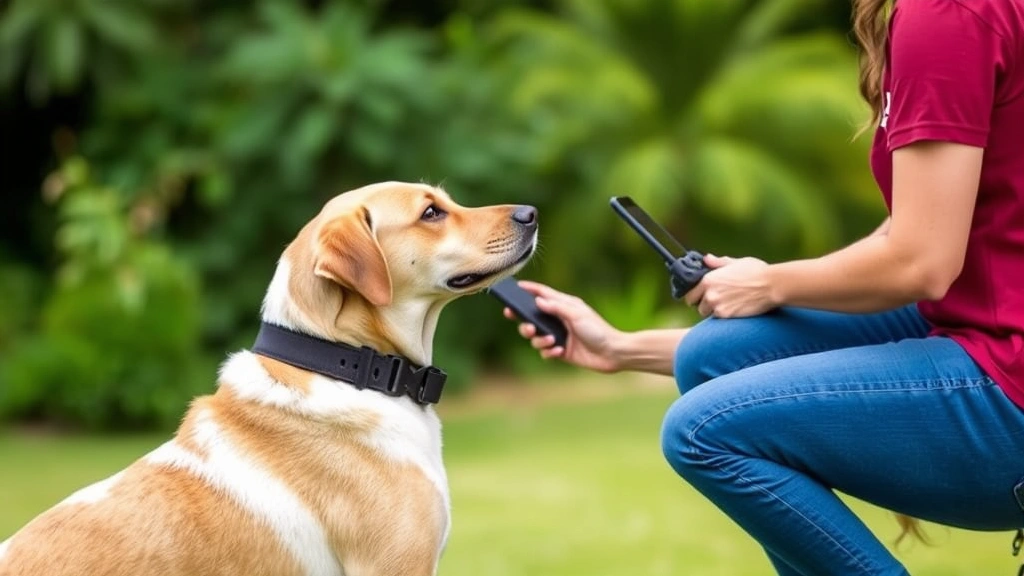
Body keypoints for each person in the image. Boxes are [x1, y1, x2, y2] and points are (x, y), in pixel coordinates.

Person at [504, 0, 1024, 574]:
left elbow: (921, 263)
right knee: (712, 354)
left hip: (1009, 377)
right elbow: (912, 230)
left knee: (701, 432)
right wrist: (620, 347)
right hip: (986, 323)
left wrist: (771, 282)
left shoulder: (950, 14)